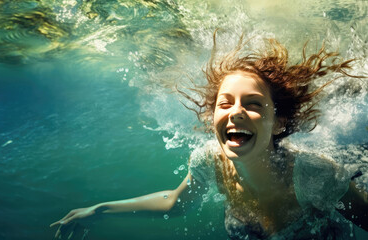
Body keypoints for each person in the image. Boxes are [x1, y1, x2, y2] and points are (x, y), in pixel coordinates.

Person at [50, 32, 368, 239]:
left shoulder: (318, 176)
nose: (235, 112)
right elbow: (175, 202)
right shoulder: (208, 162)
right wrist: (100, 210)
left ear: (279, 123)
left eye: (254, 104)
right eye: (225, 103)